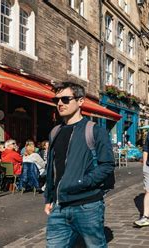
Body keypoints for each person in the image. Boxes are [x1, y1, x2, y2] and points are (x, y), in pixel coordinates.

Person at [44, 82, 114, 247]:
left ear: (80, 101)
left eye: (66, 99)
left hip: (87, 205)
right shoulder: (55, 132)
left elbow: (107, 165)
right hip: (59, 207)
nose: (60, 104)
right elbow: (52, 168)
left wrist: (82, 182)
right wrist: (49, 196)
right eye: (57, 100)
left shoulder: (95, 130)